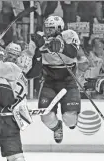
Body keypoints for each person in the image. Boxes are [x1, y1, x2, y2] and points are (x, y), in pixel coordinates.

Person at [29, 15, 82, 143]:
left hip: (68, 81)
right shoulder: (40, 38)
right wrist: (37, 50)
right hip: (49, 82)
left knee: (70, 120)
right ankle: (57, 127)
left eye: (51, 29)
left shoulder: (69, 34)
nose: (47, 32)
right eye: (46, 28)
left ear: (59, 28)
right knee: (46, 116)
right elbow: (32, 69)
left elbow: (73, 52)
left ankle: (69, 118)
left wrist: (61, 46)